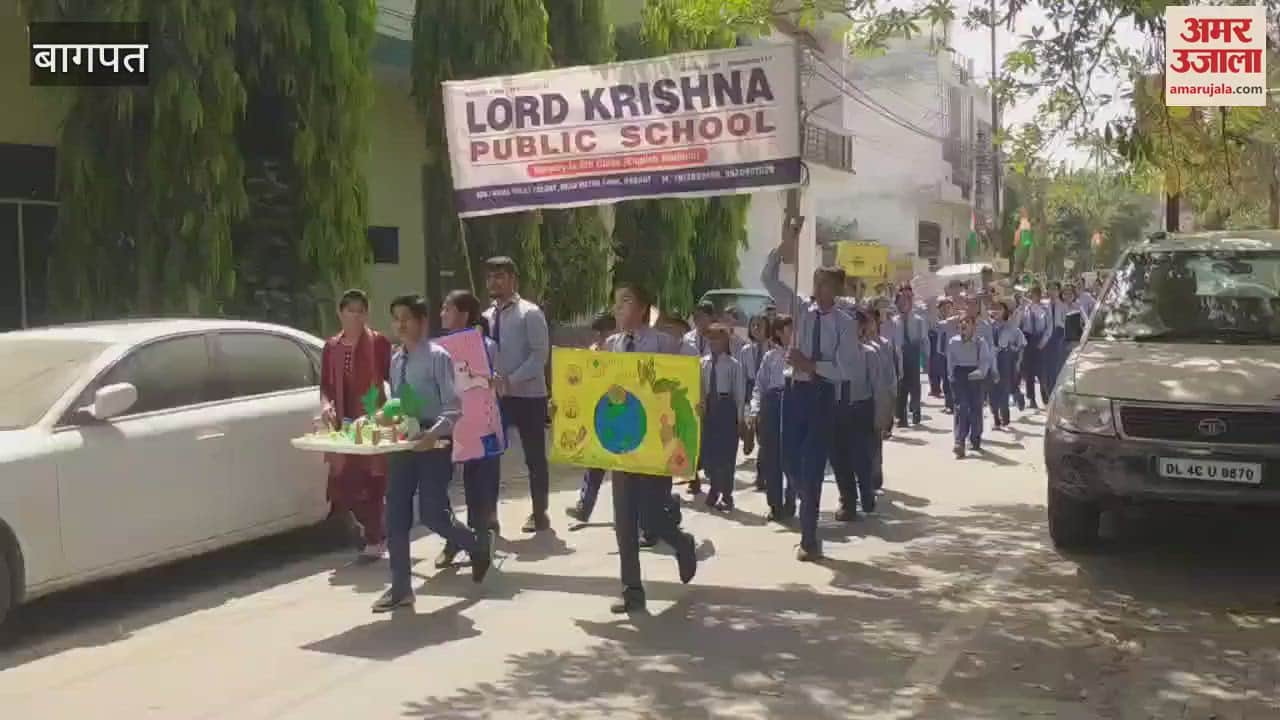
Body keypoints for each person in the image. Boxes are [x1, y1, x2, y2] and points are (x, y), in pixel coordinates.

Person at [374, 295, 492, 613]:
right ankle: (400, 588)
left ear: (422, 322)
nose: (400, 324)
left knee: (432, 514)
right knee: (395, 512)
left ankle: (476, 544)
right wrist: (385, 416)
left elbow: (453, 408)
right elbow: (399, 403)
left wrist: (433, 434)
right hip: (404, 441)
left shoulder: (438, 356)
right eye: (396, 318)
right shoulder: (396, 359)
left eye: (406, 318)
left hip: (435, 441)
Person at [601, 283, 698, 614]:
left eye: (626, 302)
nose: (619, 309)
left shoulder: (665, 344)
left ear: (643, 308)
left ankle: (681, 543)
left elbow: (690, 379)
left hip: (656, 443)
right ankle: (632, 591)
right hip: (621, 445)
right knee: (624, 520)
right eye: (615, 304)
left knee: (651, 517)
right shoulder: (611, 346)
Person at [763, 245, 860, 558]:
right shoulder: (800, 308)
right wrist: (784, 244)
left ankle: (809, 537)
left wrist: (812, 365)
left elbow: (847, 368)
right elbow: (768, 279)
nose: (818, 290)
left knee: (814, 464)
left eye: (826, 285)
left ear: (837, 290)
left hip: (822, 394)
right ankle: (807, 500)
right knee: (789, 460)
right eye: (816, 283)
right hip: (794, 392)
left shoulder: (845, 323)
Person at [320, 289, 393, 562]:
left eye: (360, 310)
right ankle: (369, 533)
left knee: (372, 480)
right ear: (340, 313)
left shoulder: (378, 343)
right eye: (349, 310)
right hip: (343, 422)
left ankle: (376, 537)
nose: (355, 315)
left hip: (370, 419)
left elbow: (393, 377)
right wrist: (327, 405)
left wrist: (390, 410)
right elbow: (326, 386)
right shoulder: (332, 346)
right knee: (342, 482)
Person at [483, 256, 552, 534]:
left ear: (513, 279)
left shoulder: (530, 313)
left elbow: (540, 356)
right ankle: (489, 516)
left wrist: (511, 380)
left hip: (529, 396)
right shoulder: (486, 317)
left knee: (534, 457)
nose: (494, 281)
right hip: (496, 397)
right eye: (490, 277)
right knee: (490, 455)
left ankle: (540, 512)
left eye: (500, 276)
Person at [436, 290, 503, 568]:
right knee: (441, 484)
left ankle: (479, 539)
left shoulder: (487, 346)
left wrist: (494, 382)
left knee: (478, 486)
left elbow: (495, 383)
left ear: (463, 314)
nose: (442, 314)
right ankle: (454, 537)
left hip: (480, 425)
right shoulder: (436, 351)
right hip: (449, 424)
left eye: (447, 309)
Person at [566, 312, 617, 524]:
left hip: (622, 415)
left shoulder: (624, 351)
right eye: (599, 334)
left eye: (605, 333)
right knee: (595, 462)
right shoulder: (593, 353)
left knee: (627, 470)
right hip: (600, 414)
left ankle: (627, 513)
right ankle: (584, 507)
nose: (601, 338)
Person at [748, 314, 794, 522]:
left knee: (792, 457)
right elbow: (759, 386)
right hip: (772, 406)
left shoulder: (799, 355)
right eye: (788, 329)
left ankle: (791, 499)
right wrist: (755, 410)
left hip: (793, 404)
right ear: (778, 332)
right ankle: (775, 504)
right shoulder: (770, 357)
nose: (792, 334)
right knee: (772, 458)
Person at [700, 324, 746, 512]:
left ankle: (726, 494)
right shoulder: (703, 363)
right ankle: (714, 487)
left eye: (717, 339)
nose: (713, 343)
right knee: (709, 452)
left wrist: (740, 418)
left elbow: (739, 393)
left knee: (726, 454)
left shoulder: (733, 365)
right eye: (710, 339)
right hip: (709, 408)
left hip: (726, 407)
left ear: (725, 341)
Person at [947, 315, 995, 459]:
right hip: (959, 375)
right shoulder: (953, 342)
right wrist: (951, 376)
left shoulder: (981, 343)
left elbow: (985, 362)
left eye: (967, 322)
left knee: (975, 407)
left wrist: (978, 374)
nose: (964, 324)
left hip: (975, 375)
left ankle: (975, 437)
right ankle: (959, 441)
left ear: (974, 327)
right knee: (961, 407)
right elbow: (950, 361)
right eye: (962, 322)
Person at [738, 314, 771, 485]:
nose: (756, 329)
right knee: (753, 430)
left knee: (765, 437)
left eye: (760, 325)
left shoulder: (772, 349)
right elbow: (742, 377)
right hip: (751, 393)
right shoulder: (745, 351)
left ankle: (762, 474)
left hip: (767, 394)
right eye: (753, 325)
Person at [989, 300, 1026, 429]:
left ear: (1005, 311)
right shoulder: (988, 325)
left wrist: (1018, 360)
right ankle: (995, 416)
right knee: (991, 390)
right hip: (990, 358)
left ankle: (1004, 415)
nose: (996, 311)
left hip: (1005, 358)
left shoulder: (1010, 326)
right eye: (994, 308)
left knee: (1004, 388)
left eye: (1000, 308)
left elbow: (1021, 344)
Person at [893, 286, 927, 427]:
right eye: (901, 300)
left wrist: (926, 358)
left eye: (908, 299)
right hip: (898, 353)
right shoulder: (894, 321)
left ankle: (916, 411)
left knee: (914, 385)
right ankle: (901, 417)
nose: (905, 303)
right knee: (900, 387)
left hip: (913, 353)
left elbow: (924, 339)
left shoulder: (918, 320)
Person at [1019, 286, 1047, 409]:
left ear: (1040, 296)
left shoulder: (1043, 307)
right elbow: (1021, 323)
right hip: (1028, 339)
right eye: (1031, 294)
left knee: (1041, 372)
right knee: (1029, 372)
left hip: (1039, 339)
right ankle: (1031, 399)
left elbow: (1041, 317)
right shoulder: (1025, 308)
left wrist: (1043, 341)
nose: (1033, 296)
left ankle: (1045, 397)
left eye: (1035, 294)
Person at [1039, 281, 1068, 394]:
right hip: (1045, 338)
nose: (1052, 291)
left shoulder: (1063, 305)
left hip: (1058, 336)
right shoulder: (1043, 305)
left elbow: (1065, 322)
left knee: (1056, 366)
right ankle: (1047, 391)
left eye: (1055, 289)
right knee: (1046, 367)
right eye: (1050, 289)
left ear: (1059, 291)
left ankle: (1054, 390)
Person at [933, 297, 956, 413]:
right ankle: (949, 404)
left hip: (953, 354)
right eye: (942, 308)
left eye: (948, 307)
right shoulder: (938, 321)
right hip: (941, 353)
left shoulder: (955, 322)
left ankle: (954, 403)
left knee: (952, 379)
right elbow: (936, 326)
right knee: (945, 380)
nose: (945, 310)